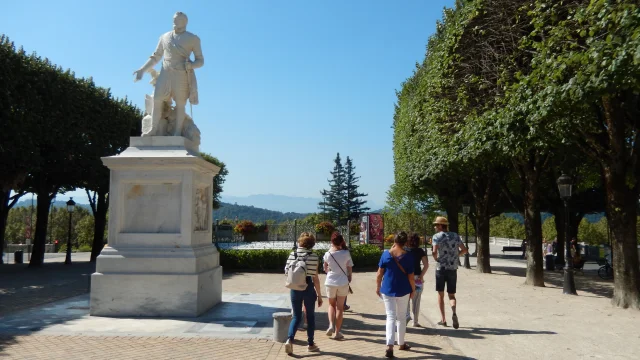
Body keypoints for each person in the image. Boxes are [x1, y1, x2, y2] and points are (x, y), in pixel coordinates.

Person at [133, 12, 204, 137]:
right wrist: (142, 70)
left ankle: (177, 132)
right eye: (174, 19)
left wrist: (191, 65)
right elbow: (156, 57)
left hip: (181, 74)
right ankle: (153, 129)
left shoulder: (193, 39)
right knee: (157, 99)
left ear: (185, 22)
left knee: (180, 103)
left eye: (178, 20)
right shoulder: (164, 37)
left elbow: (200, 60)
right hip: (165, 72)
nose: (175, 22)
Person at [376, 232, 415, 358]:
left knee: (390, 316)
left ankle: (389, 346)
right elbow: (411, 277)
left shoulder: (386, 254)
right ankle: (402, 343)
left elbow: (379, 273)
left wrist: (377, 287)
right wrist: (413, 290)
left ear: (394, 240)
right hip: (403, 289)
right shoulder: (408, 257)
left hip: (387, 288)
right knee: (401, 317)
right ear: (405, 242)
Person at [284, 232, 323, 354]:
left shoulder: (292, 254)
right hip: (308, 288)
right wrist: (320, 295)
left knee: (296, 316)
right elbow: (315, 278)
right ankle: (310, 344)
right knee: (310, 317)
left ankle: (289, 340)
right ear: (312, 244)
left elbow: (286, 272)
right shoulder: (314, 256)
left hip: (295, 288)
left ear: (300, 242)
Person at [431, 216, 467, 329]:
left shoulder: (436, 237)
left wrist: (436, 258)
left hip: (441, 268)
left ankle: (443, 319)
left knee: (440, 295)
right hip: (453, 268)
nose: (435, 227)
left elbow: (434, 251)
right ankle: (454, 312)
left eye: (436, 225)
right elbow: (465, 249)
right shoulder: (455, 236)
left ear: (441, 226)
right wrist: (456, 255)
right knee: (451, 295)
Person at [323, 232, 354, 340]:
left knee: (331, 305)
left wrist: (329, 273)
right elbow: (349, 266)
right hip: (343, 282)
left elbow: (325, 268)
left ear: (332, 242)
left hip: (330, 281)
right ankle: (337, 332)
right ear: (341, 241)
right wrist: (349, 276)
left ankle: (330, 325)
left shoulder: (328, 254)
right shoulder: (346, 253)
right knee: (340, 307)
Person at [405, 233, 429, 327]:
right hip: (417, 278)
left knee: (405, 299)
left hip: (406, 278)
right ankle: (415, 321)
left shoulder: (405, 251)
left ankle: (406, 316)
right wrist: (421, 275)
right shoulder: (420, 251)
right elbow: (426, 265)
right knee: (417, 300)